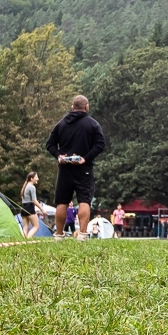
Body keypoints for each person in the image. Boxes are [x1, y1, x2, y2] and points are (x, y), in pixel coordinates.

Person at [46, 95, 106, 240]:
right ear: (86, 107)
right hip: (84, 169)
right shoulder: (92, 124)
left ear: (72, 107)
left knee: (62, 202)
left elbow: (50, 144)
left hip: (65, 168)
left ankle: (59, 235)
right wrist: (85, 158)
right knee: (84, 200)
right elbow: (100, 145)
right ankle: (83, 234)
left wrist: (59, 156)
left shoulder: (61, 124)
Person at [20, 172, 40, 238]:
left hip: (23, 208)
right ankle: (28, 240)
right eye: (36, 177)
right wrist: (42, 209)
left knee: (25, 227)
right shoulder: (32, 187)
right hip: (29, 208)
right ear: (31, 179)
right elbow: (34, 200)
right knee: (36, 226)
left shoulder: (25, 186)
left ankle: (22, 241)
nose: (38, 179)